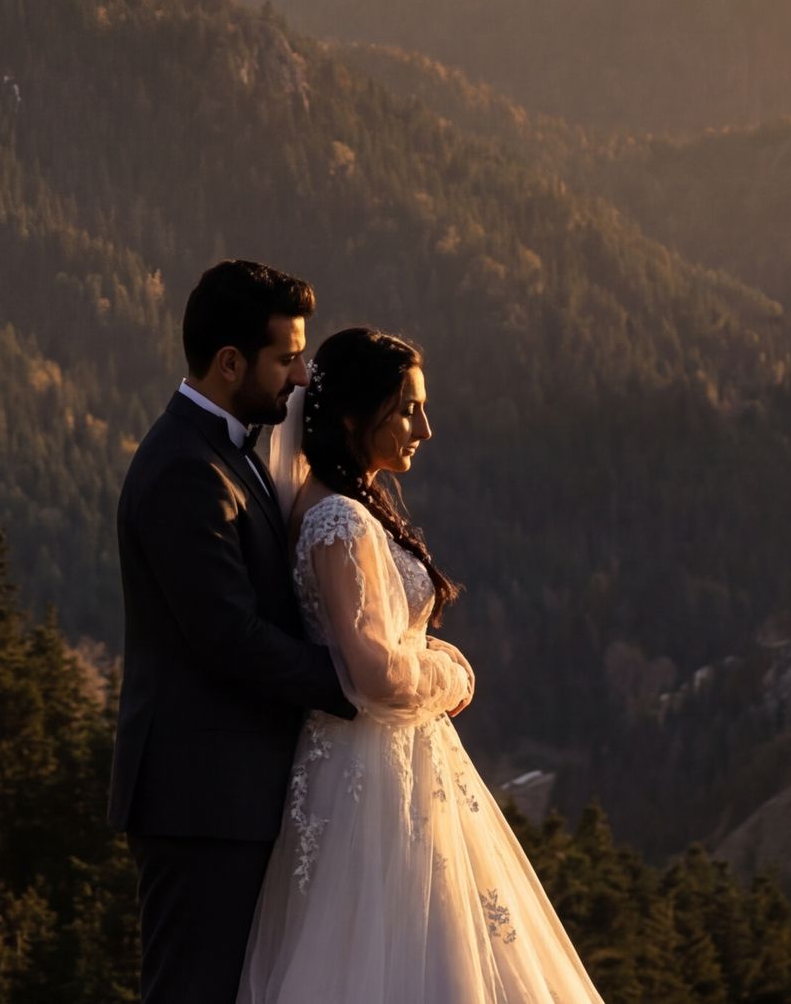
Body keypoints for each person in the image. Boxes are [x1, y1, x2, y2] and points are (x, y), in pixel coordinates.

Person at [237, 325, 604, 1003]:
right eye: (407, 410)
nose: (424, 429)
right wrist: (450, 674)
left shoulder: (337, 505)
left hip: (382, 762)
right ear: (354, 416)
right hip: (373, 770)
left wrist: (424, 650)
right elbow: (373, 671)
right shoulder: (340, 519)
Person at [112, 260, 355, 1004]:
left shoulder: (225, 452)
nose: (301, 376)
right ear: (229, 362)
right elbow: (228, 636)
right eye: (286, 358)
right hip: (201, 799)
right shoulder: (185, 467)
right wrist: (355, 683)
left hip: (230, 792)